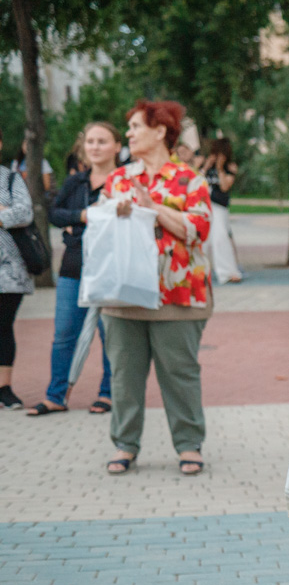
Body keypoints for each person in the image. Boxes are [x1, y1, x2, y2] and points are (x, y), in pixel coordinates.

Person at [100, 100, 213, 476]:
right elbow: (101, 229)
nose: (128, 134)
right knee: (124, 375)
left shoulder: (189, 179)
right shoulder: (118, 179)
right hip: (124, 293)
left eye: (135, 127)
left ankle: (189, 444)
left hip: (177, 294)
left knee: (180, 373)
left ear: (160, 131)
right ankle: (125, 444)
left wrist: (153, 208)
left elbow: (198, 230)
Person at [26, 122, 122, 416]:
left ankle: (108, 394)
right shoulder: (76, 182)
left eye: (102, 141)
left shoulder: (125, 182)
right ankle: (56, 395)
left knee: (110, 335)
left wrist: (81, 221)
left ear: (117, 146)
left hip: (110, 268)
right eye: (90, 141)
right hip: (73, 266)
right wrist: (83, 215)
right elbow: (54, 213)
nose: (95, 147)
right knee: (64, 334)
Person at [0, 125, 35, 410]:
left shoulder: (11, 178)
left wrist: (4, 215)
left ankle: (4, 388)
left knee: (3, 326)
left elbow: (25, 212)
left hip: (8, 271)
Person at [200, 137, 243, 284]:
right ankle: (198, 272)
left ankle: (228, 272)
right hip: (203, 205)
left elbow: (225, 187)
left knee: (220, 237)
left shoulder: (230, 167)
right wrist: (206, 166)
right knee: (201, 239)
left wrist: (219, 169)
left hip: (219, 206)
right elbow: (196, 181)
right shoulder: (205, 165)